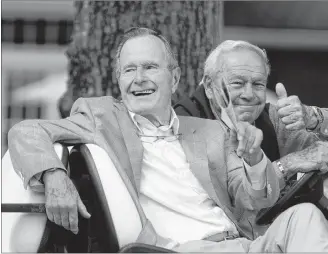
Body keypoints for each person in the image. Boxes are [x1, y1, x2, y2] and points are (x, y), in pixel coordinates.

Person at [8, 28, 328, 252]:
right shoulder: (101, 117)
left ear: (173, 78)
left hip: (245, 244)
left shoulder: (210, 130)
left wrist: (256, 159)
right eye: (129, 70)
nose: (139, 79)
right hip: (179, 250)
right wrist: (53, 175)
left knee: (306, 217)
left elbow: (256, 201)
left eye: (150, 67)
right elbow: (27, 131)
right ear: (119, 81)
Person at [174, 40, 328, 189]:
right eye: (237, 83)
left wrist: (314, 118)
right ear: (209, 86)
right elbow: (229, 201)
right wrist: (288, 164)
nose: (248, 94)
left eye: (257, 84)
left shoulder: (271, 119)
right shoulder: (184, 124)